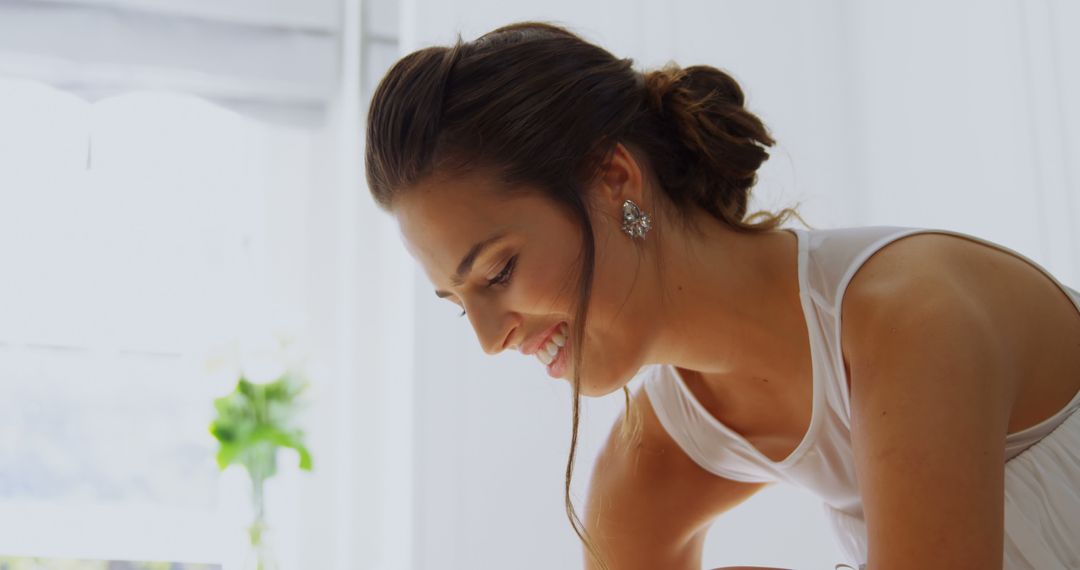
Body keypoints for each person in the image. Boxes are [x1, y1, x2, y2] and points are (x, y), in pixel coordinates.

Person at [363, 20, 1080, 570]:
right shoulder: (641, 475)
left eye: (497, 273)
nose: (491, 339)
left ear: (615, 181)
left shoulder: (910, 319)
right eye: (463, 305)